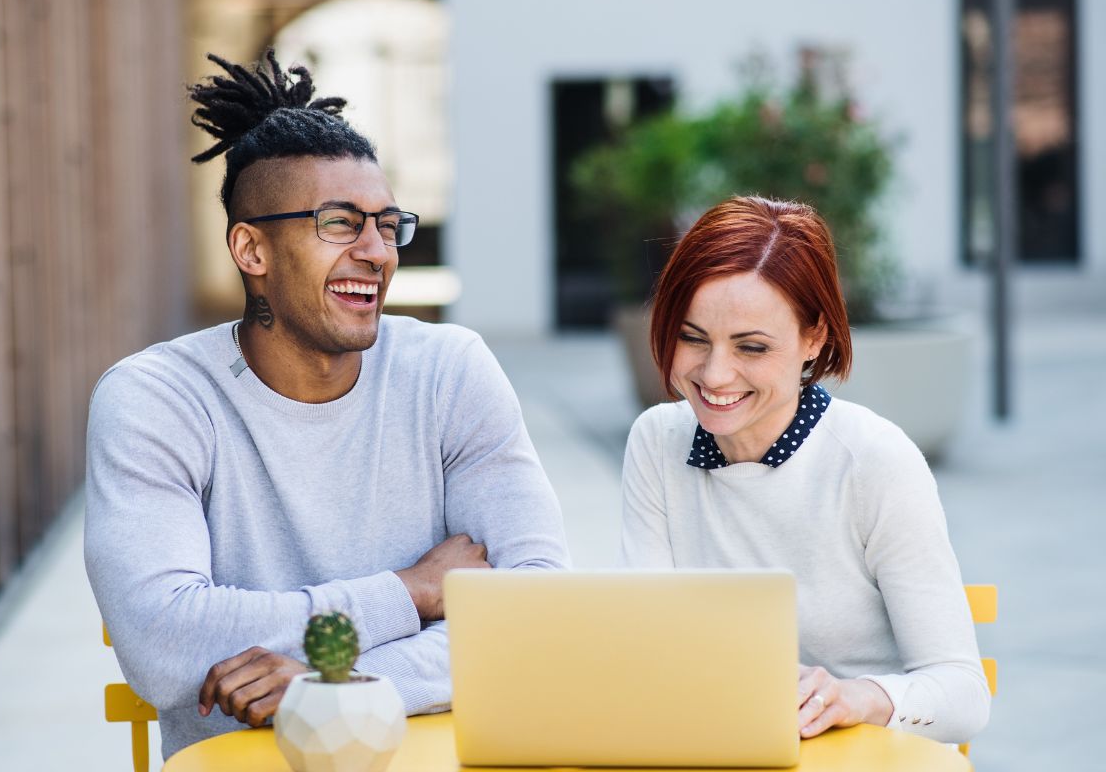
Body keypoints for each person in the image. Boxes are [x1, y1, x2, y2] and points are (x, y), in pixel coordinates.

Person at [84, 50, 569, 759]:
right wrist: (410, 592)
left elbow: (538, 613)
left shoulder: (449, 371)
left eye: (387, 223)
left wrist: (339, 680)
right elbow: (162, 641)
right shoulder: (158, 399)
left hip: (438, 753)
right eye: (340, 223)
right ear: (252, 248)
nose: (377, 251)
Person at [619, 196, 990, 744]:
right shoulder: (657, 440)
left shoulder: (873, 460)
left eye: (751, 347)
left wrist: (857, 696)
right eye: (692, 337)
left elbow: (963, 693)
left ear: (814, 337)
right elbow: (647, 642)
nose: (715, 374)